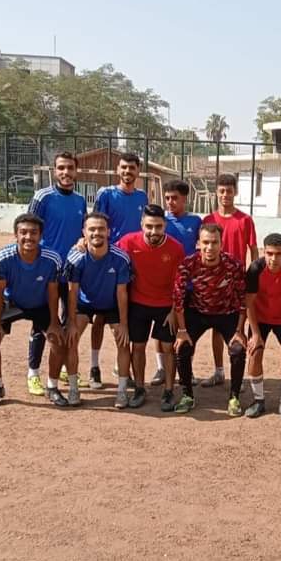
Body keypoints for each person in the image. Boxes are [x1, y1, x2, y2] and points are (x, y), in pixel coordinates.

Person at [0, 213, 65, 407]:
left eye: (34, 233)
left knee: (58, 340)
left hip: (40, 303)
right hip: (12, 302)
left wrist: (54, 323)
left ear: (41, 236)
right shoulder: (2, 259)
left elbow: (53, 293)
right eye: (23, 232)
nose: (29, 237)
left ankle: (52, 387)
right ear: (15, 235)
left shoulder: (52, 259)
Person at [27, 152, 87, 395]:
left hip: (70, 273)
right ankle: (33, 374)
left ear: (76, 171)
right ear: (54, 171)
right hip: (47, 272)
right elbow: (28, 229)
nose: (66, 172)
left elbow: (83, 232)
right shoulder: (42, 197)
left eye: (70, 168)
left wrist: (82, 241)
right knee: (42, 322)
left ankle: (62, 367)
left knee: (68, 321)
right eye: (61, 168)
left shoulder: (80, 201)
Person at [172, 223, 247, 416]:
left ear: (221, 244)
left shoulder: (233, 265)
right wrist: (182, 331)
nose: (210, 247)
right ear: (198, 243)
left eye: (214, 242)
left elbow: (243, 299)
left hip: (227, 313)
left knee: (238, 350)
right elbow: (178, 298)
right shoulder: (188, 264)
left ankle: (234, 397)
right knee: (182, 347)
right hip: (198, 313)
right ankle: (187, 395)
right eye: (205, 242)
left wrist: (239, 331)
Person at [116, 204, 184, 411]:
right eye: (149, 226)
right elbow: (108, 253)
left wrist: (174, 311)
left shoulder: (176, 248)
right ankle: (139, 388)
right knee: (138, 347)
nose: (154, 231)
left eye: (158, 227)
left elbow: (180, 284)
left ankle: (169, 391)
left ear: (165, 226)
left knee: (168, 348)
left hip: (165, 306)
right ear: (141, 225)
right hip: (138, 303)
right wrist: (82, 243)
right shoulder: (128, 242)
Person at [89, 153, 148, 388]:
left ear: (138, 171)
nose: (127, 172)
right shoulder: (106, 194)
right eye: (123, 167)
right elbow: (94, 222)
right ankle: (94, 366)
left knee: (125, 316)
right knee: (99, 316)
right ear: (117, 169)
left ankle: (120, 365)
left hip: (132, 264)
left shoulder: (142, 196)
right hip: (107, 262)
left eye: (131, 168)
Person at [62, 212, 132, 409]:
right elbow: (72, 291)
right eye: (92, 229)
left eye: (101, 229)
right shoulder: (76, 257)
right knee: (71, 339)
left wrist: (124, 325)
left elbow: (122, 293)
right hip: (85, 303)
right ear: (84, 232)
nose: (96, 233)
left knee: (123, 342)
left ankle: (122, 391)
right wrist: (71, 322)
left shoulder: (120, 258)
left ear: (108, 232)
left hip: (111, 304)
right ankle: (73, 388)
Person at [201, 173, 257, 388]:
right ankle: (218, 371)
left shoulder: (245, 220)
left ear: (236, 192)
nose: (226, 195)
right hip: (213, 283)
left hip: (236, 283)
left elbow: (253, 249)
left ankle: (237, 375)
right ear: (216, 192)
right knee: (216, 328)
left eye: (229, 191)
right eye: (222, 191)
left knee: (237, 327)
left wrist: (252, 275)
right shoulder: (208, 220)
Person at [244, 233, 281, 421]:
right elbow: (249, 302)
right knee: (254, 352)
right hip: (260, 317)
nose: (273, 258)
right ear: (264, 252)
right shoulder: (255, 269)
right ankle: (258, 400)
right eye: (269, 253)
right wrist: (255, 334)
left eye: (278, 254)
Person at [150, 179, 203, 387]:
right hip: (163, 284)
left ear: (184, 199)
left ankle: (186, 369)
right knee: (160, 327)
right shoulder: (161, 222)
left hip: (188, 285)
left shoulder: (195, 221)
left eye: (175, 198)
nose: (170, 202)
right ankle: (161, 368)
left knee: (187, 328)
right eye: (167, 198)